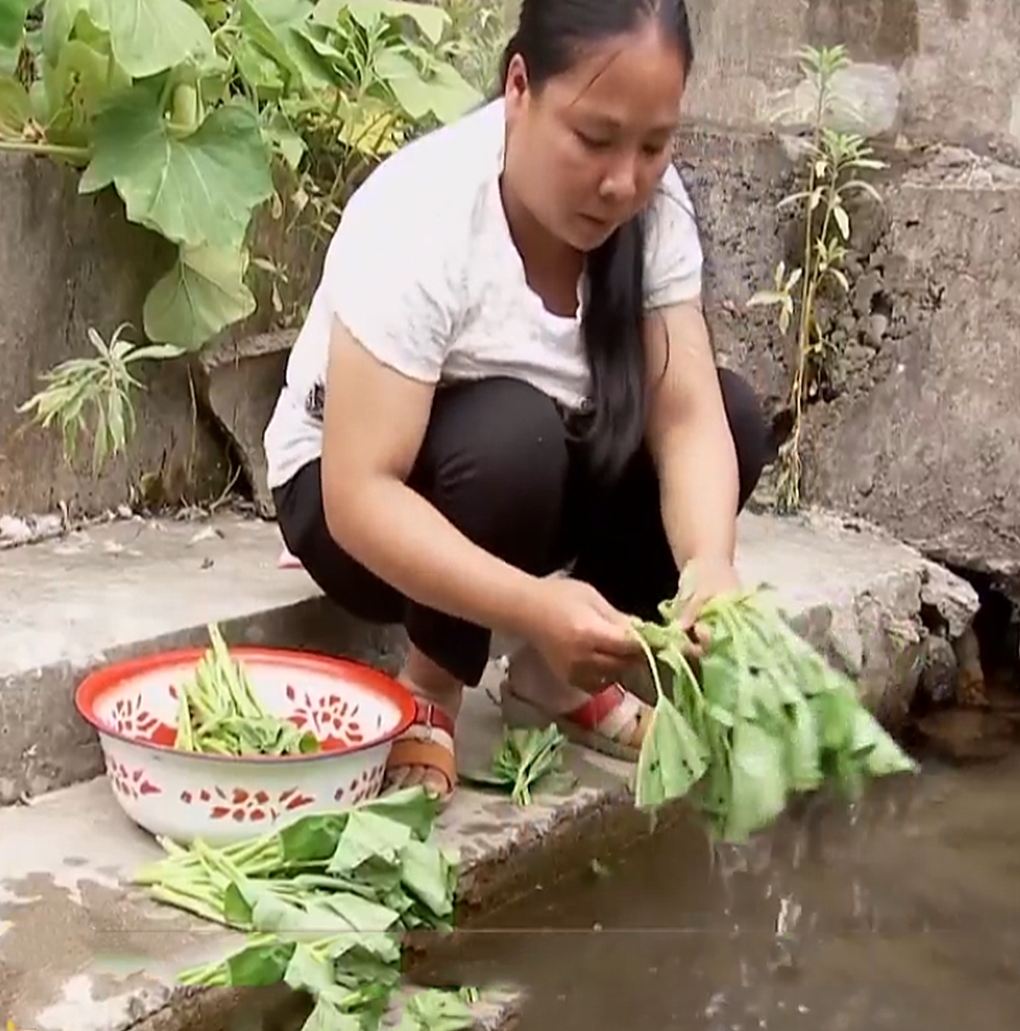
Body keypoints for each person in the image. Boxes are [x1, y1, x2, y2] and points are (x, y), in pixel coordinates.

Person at [261, 0, 774, 799]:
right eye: (595, 139)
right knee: (514, 436)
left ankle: (552, 680)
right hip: (351, 506)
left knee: (735, 420)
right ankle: (430, 688)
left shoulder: (655, 210)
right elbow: (357, 494)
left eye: (653, 145)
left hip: (524, 487)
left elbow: (687, 417)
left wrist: (710, 563)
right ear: (520, 86)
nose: (623, 181)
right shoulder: (425, 212)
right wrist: (537, 605)